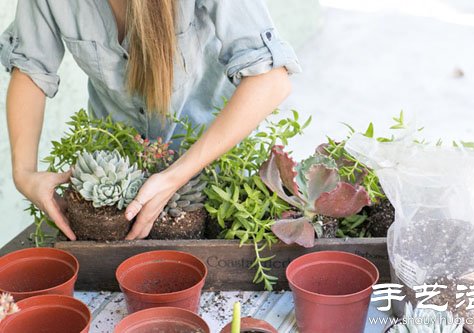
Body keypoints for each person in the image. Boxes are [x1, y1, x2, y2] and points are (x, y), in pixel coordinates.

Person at [1, 0, 300, 241]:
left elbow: (271, 80)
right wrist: (24, 174)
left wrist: (173, 178)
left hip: (213, 178)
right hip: (116, 185)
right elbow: (29, 69)